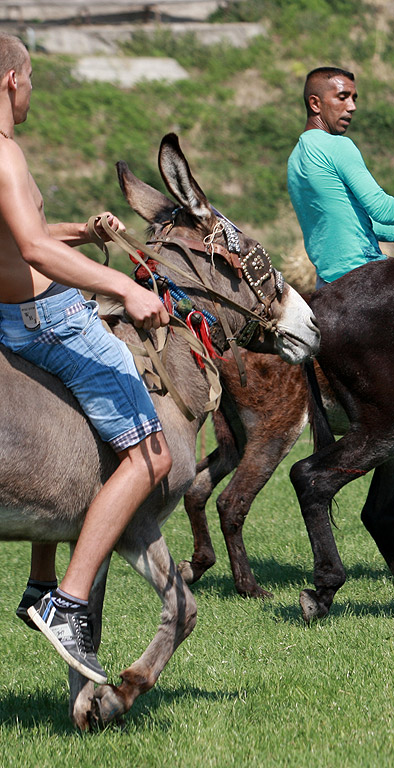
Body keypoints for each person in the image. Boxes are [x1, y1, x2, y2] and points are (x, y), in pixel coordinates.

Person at [0, 32, 173, 685]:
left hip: (12, 320)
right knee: (149, 454)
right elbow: (35, 253)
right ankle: (68, 603)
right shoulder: (6, 155)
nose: (33, 89)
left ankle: (39, 578)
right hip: (54, 323)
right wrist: (126, 285)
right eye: (33, 77)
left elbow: (27, 239)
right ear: (13, 80)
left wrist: (81, 232)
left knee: (72, 430)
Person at [287, 66, 394, 286]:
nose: (352, 107)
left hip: (327, 283)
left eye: (354, 98)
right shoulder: (337, 145)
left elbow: (344, 222)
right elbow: (381, 208)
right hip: (363, 275)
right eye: (342, 97)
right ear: (315, 103)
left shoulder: (295, 158)